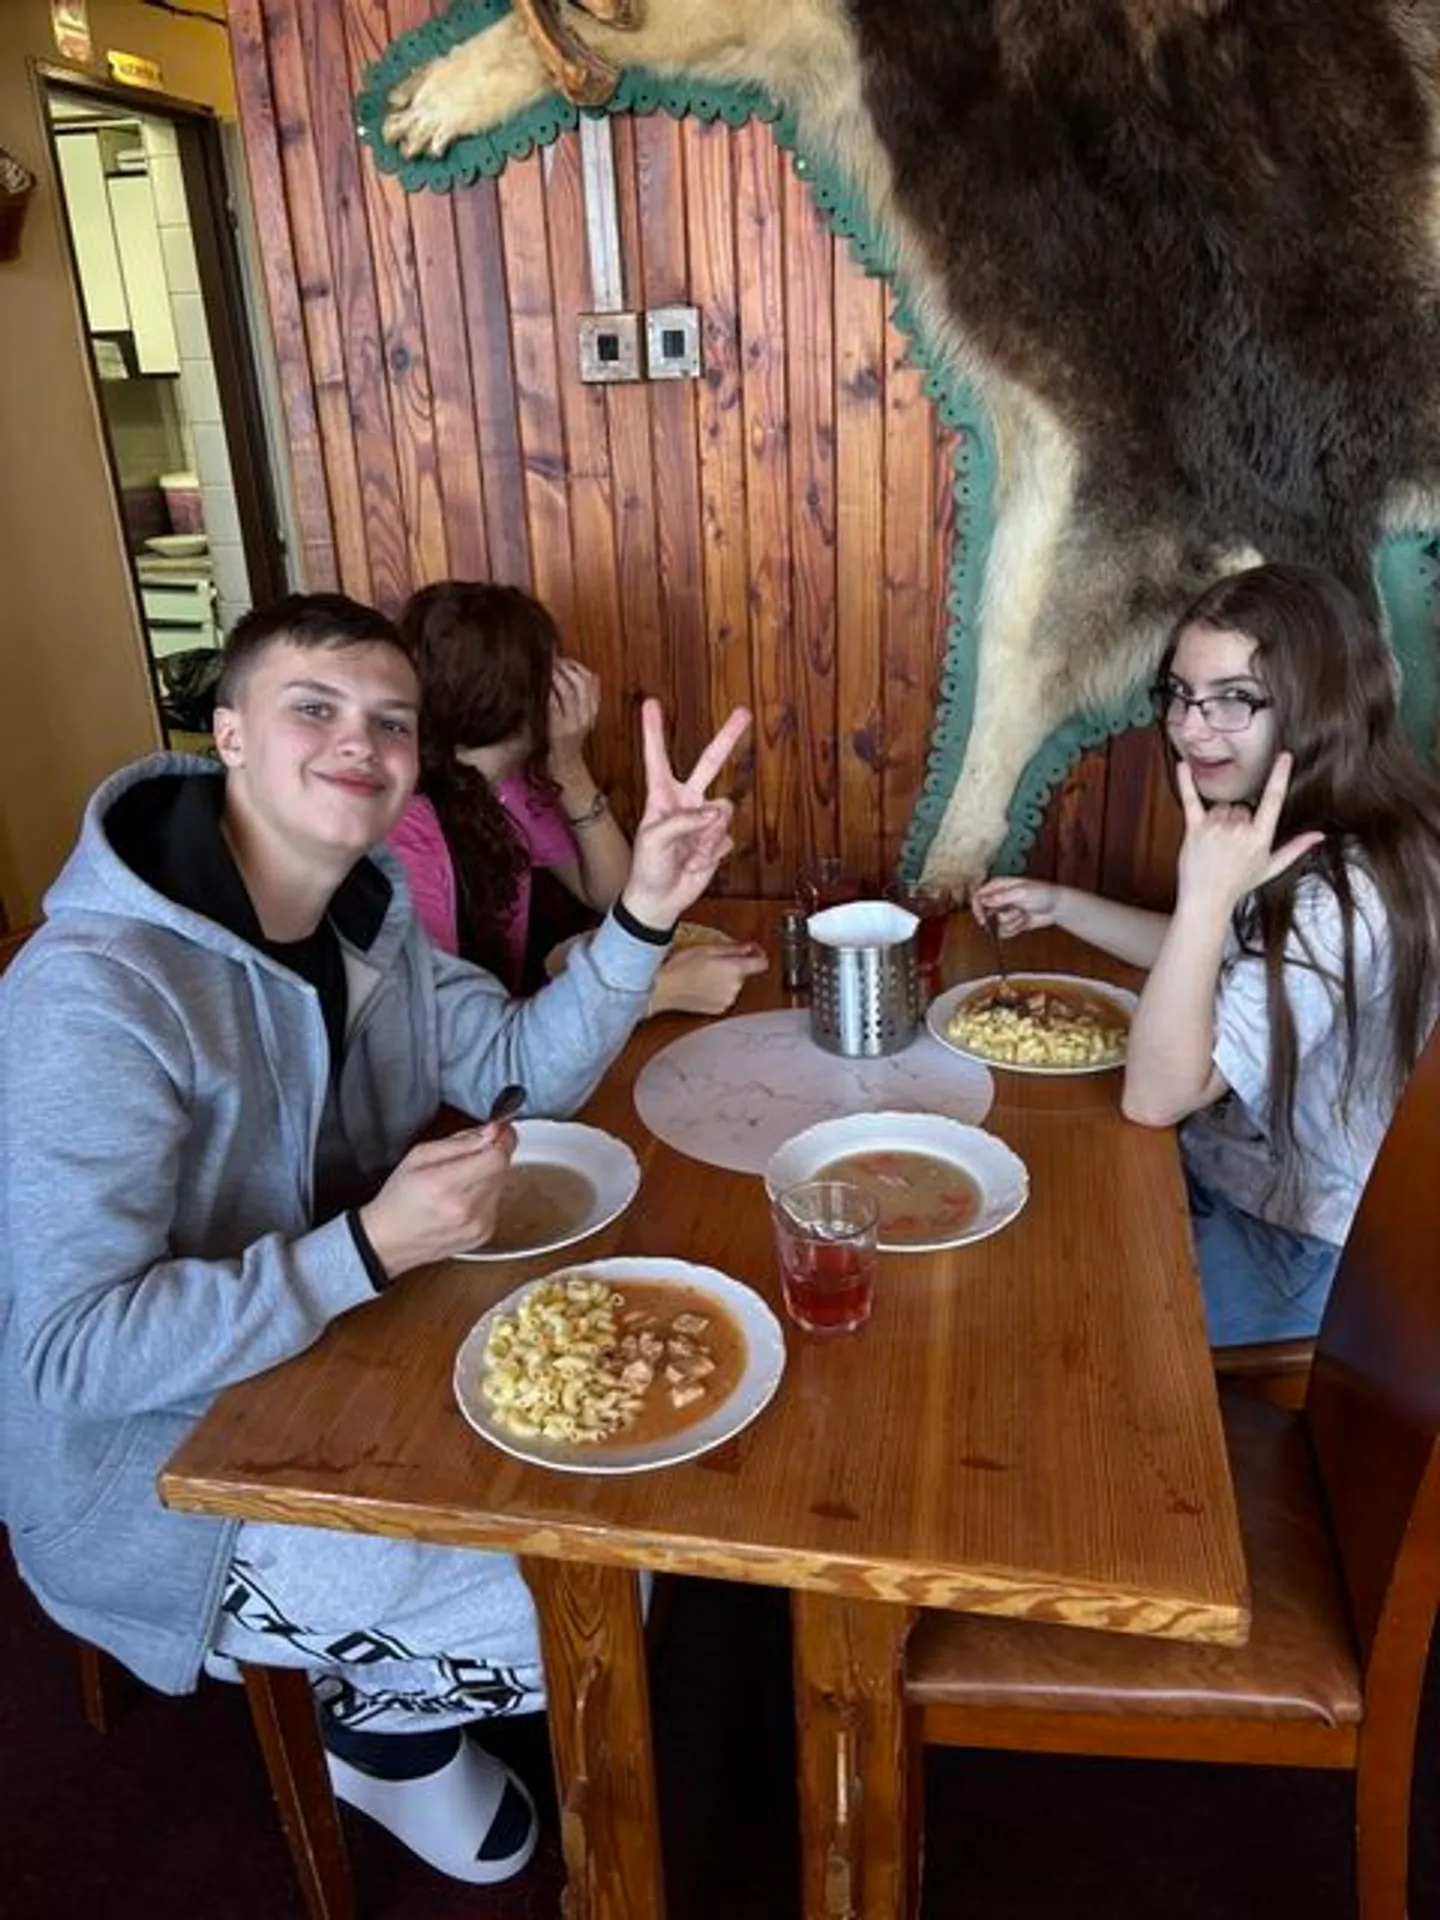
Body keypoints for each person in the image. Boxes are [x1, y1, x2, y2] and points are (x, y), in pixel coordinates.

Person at [0, 592, 751, 1887]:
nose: (361, 741)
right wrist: (364, 1248)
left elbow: (521, 1069)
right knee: (583, 1601)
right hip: (155, 1479)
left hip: (343, 1353)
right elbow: (72, 1358)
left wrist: (638, 921)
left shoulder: (372, 911)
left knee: (615, 1513)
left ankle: (378, 1697)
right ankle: (379, 1734)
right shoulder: (94, 993)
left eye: (390, 721)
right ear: (229, 734)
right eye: (315, 708)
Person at [972, 562, 1440, 1348]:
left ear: (1318, 702)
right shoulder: (1330, 820)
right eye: (1182, 695)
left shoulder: (1349, 888)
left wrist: (1204, 895)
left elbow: (1157, 1096)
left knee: (1041, 1319)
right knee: (1031, 1211)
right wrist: (1062, 906)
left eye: (1234, 698)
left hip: (1313, 1247)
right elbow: (1223, 955)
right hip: (1235, 1178)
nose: (1191, 728)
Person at [388, 579, 767, 1005]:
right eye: (555, 671)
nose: (572, 684)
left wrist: (568, 765)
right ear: (516, 694)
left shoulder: (508, 785)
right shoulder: (408, 835)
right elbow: (445, 1033)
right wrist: (662, 993)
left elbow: (615, 895)